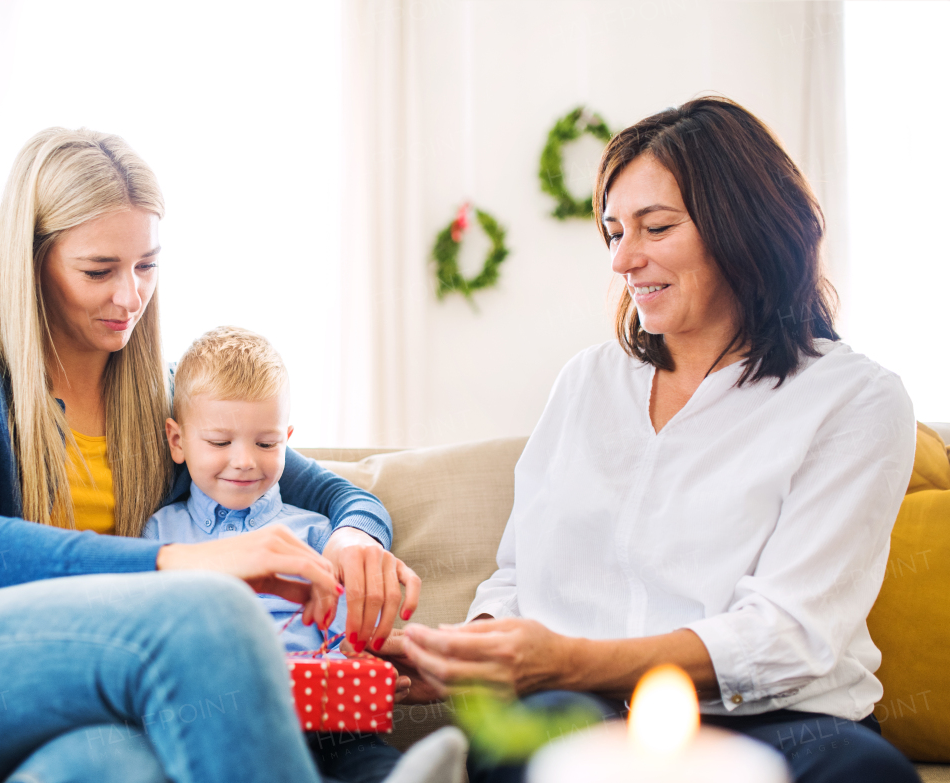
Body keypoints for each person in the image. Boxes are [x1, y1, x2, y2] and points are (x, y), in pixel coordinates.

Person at [0, 127, 416, 783]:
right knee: (205, 612)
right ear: (31, 262)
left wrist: (354, 538)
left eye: (147, 265)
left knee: (114, 765)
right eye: (99, 270)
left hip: (68, 702)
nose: (130, 297)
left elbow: (344, 496)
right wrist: (178, 562)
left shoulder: (167, 400)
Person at [389, 97, 922, 783]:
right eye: (613, 232)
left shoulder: (855, 399)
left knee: (862, 773)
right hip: (581, 708)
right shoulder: (586, 382)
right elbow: (518, 573)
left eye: (655, 227)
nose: (623, 259)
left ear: (746, 227)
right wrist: (470, 648)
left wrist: (568, 658)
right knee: (526, 741)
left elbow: (791, 634)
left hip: (782, 720)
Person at [142, 325, 452, 783]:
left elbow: (347, 630)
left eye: (266, 443)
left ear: (287, 437)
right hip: (224, 713)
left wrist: (358, 661)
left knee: (364, 757)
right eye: (220, 442)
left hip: (325, 709)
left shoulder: (317, 530)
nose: (245, 460)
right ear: (177, 441)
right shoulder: (161, 531)